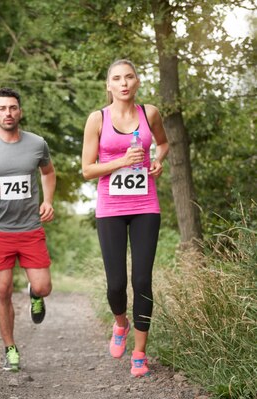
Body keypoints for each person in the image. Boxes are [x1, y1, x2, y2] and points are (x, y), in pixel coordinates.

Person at [81, 59, 169, 377]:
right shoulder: (97, 119)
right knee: (116, 283)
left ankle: (140, 353)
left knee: (142, 280)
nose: (123, 83)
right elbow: (87, 169)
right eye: (116, 78)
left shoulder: (151, 113)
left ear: (137, 81)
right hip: (111, 209)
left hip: (146, 204)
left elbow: (162, 143)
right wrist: (120, 160)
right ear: (109, 85)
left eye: (129, 77)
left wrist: (158, 160)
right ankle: (121, 324)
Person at [0, 88, 56, 373]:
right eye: (2, 108)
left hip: (30, 227)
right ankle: (10, 348)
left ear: (20, 112)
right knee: (1, 289)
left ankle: (34, 294)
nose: (8, 113)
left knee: (44, 286)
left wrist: (49, 201)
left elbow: (48, 172)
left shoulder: (37, 144)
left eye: (13, 108)